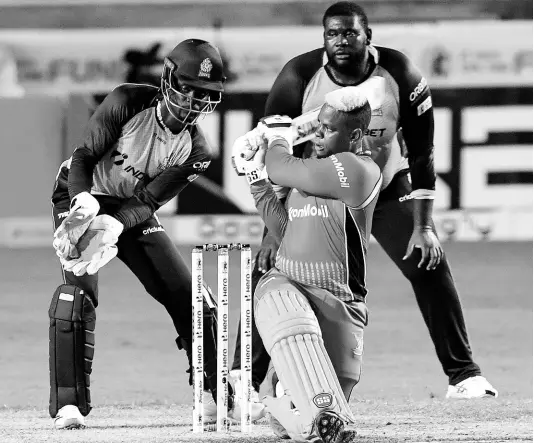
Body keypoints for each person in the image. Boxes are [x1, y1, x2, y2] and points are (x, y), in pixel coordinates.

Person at [231, 1, 497, 400]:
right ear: (323, 39)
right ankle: (241, 383)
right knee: (271, 273)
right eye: (332, 34)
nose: (340, 41)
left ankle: (464, 376)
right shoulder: (299, 75)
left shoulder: (401, 73)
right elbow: (276, 146)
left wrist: (423, 227)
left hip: (384, 189)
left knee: (428, 263)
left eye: (350, 33)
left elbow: (422, 153)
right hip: (316, 190)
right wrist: (273, 232)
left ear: (367, 36)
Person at [48, 38, 262, 430]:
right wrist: (83, 202)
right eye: (190, 89)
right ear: (168, 79)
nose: (196, 101)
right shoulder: (127, 100)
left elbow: (148, 200)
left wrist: (115, 224)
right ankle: (69, 406)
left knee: (189, 295)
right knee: (77, 296)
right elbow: (84, 156)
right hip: (79, 194)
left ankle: (216, 396)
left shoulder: (198, 149)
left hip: (129, 209)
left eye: (206, 94)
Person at [232, 85, 381, 442]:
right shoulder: (311, 176)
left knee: (315, 406)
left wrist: (275, 136)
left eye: (328, 130)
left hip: (340, 302)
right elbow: (283, 230)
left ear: (356, 135)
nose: (318, 136)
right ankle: (312, 411)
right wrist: (256, 181)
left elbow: (280, 166)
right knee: (285, 306)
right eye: (318, 126)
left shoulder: (356, 169)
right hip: (287, 284)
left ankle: (287, 407)